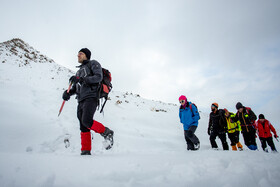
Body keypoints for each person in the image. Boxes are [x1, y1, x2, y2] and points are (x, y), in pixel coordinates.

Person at [62, 48, 114, 155]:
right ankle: (85, 152)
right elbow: (76, 88)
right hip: (80, 100)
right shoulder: (79, 71)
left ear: (86, 55)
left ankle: (107, 132)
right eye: (77, 54)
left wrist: (81, 79)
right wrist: (68, 93)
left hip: (91, 97)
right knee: (83, 126)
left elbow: (98, 77)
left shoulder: (93, 64)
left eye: (80, 54)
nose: (78, 55)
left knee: (86, 120)